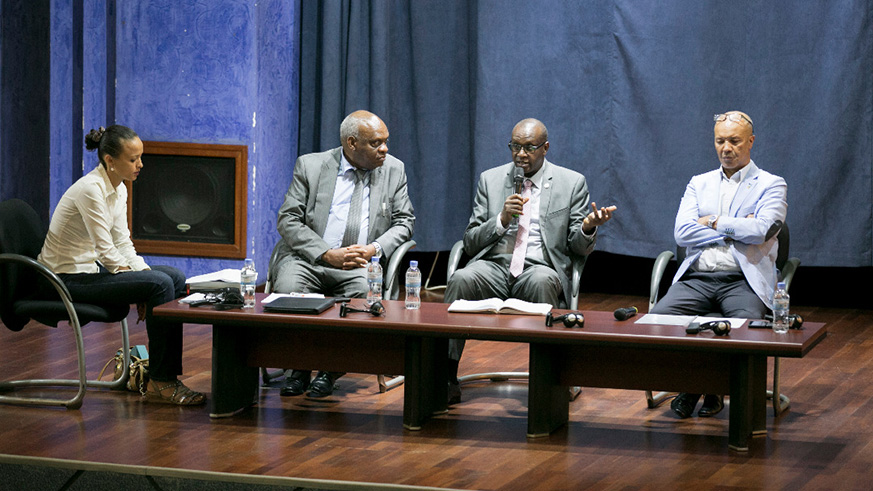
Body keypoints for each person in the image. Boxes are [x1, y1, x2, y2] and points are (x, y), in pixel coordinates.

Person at [444, 118, 616, 404]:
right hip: (494, 266)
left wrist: (587, 227)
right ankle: (445, 375)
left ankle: (547, 380)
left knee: (541, 282)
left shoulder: (571, 183)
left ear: (545, 148)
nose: (520, 154)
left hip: (539, 266)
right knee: (462, 278)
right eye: (514, 147)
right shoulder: (491, 179)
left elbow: (577, 247)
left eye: (528, 147)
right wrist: (500, 220)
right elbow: (471, 241)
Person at [38, 125, 204, 406]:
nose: (140, 164)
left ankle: (162, 375)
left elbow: (123, 245)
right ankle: (161, 383)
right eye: (133, 159)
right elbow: (106, 252)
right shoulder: (90, 189)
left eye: (140, 157)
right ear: (110, 161)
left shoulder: (119, 188)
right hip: (64, 279)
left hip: (89, 271)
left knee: (172, 277)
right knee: (159, 284)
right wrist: (142, 286)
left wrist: (143, 275)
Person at [650, 110, 787, 419]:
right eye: (720, 141)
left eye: (735, 141)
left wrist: (712, 222)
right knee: (656, 323)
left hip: (742, 281)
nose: (726, 148)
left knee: (746, 331)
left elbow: (762, 230)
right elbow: (682, 232)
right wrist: (737, 227)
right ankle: (702, 387)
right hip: (698, 278)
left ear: (751, 142)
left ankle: (704, 391)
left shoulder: (771, 184)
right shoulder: (699, 183)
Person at [272, 110, 415, 398]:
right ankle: (298, 367)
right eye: (376, 143)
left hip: (360, 263)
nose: (385, 149)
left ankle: (330, 368)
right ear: (352, 143)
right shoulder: (311, 166)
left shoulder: (393, 169)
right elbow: (288, 219)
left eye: (386, 141)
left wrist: (374, 248)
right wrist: (326, 253)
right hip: (308, 259)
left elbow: (405, 222)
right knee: (288, 288)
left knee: (363, 291)